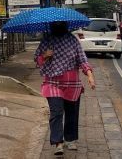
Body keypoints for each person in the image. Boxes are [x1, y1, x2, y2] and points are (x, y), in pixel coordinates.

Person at [34, 21, 96, 156]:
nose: (58, 27)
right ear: (51, 26)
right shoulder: (47, 40)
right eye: (55, 25)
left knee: (71, 112)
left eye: (60, 25)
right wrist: (45, 55)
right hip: (52, 82)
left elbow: (82, 60)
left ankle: (70, 139)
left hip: (72, 84)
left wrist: (90, 75)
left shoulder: (73, 41)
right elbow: (37, 60)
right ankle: (58, 142)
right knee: (56, 112)